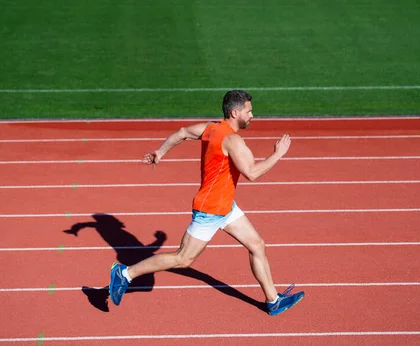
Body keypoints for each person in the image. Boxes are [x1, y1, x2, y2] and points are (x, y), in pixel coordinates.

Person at [109, 90, 304, 316]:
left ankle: (273, 301)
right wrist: (278, 154)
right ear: (235, 112)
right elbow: (251, 172)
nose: (252, 115)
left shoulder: (211, 128)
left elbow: (182, 133)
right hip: (211, 210)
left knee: (257, 244)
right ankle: (124, 274)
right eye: (249, 111)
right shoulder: (232, 140)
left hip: (226, 206)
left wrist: (160, 152)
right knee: (182, 259)